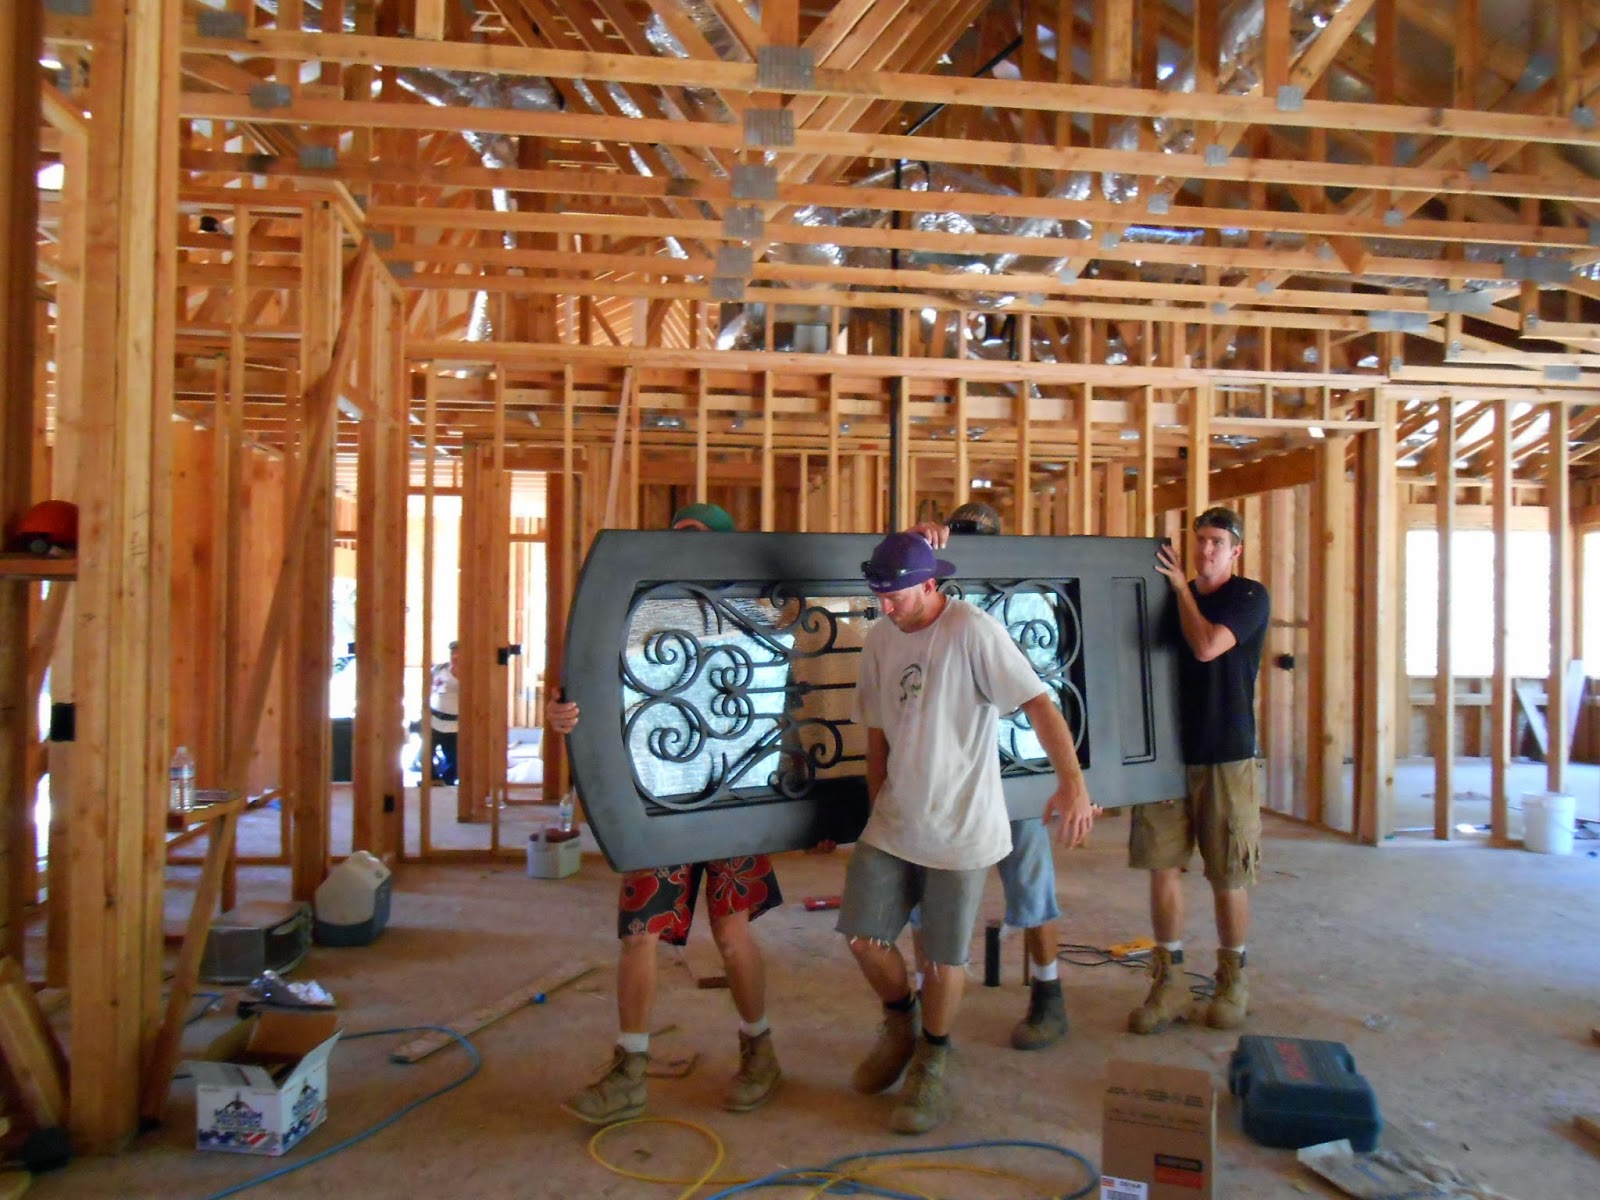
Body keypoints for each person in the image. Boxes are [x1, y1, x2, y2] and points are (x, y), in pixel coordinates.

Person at [840, 532, 1095, 1135]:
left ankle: (934, 1054)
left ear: (930, 585)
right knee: (863, 937)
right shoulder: (881, 637)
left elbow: (1039, 703)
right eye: (879, 596)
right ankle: (900, 1020)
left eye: (896, 596)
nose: (886, 607)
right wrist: (876, 805)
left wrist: (1073, 783)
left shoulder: (972, 631)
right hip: (896, 820)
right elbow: (876, 730)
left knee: (944, 958)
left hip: (962, 827)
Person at [546, 502, 784, 1125]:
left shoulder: (755, 613)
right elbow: (598, 686)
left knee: (732, 933)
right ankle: (630, 1069)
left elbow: (773, 699)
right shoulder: (640, 610)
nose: (683, 550)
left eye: (697, 540)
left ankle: (760, 1051)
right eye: (676, 539)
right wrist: (566, 713)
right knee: (639, 935)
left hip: (732, 795)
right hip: (658, 796)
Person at [904, 502, 1070, 1051]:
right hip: (952, 768)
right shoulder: (948, 597)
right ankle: (928, 995)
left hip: (1016, 762)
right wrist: (913, 545)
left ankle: (1049, 993)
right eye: (963, 540)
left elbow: (1042, 683)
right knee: (930, 884)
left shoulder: (1029, 598)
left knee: (1031, 880)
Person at [1128, 505, 1271, 1035]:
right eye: (1201, 540)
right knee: (1162, 866)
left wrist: (1180, 592)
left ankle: (1233, 980)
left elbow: (1209, 646)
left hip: (1225, 755)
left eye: (1217, 542)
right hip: (1168, 755)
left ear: (1236, 551)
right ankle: (1169, 982)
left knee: (1227, 873)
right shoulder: (1175, 596)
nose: (1206, 550)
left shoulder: (1248, 597)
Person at [429, 640, 461, 785]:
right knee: (426, 753)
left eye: (458, 653)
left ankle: (448, 781)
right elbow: (429, 683)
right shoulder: (440, 669)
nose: (455, 656)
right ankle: (432, 779)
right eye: (453, 652)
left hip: (454, 723)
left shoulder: (471, 671)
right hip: (434, 718)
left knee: (453, 757)